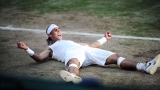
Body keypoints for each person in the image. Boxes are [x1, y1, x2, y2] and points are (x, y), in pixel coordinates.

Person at [17, 24, 160, 84]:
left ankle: (144, 66)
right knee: (73, 61)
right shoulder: (51, 48)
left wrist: (104, 39)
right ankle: (72, 76)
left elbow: (90, 46)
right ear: (50, 35)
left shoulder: (70, 41)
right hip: (73, 55)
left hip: (86, 52)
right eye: (55, 30)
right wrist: (27, 49)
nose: (59, 31)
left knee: (115, 57)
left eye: (59, 29)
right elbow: (38, 58)